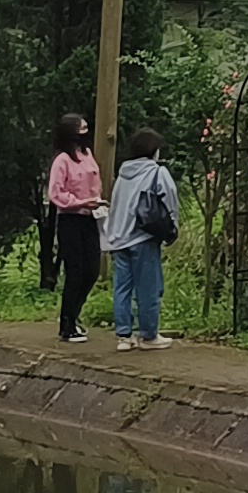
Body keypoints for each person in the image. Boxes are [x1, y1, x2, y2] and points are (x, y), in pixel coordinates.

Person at [102, 126, 179, 350]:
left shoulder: (123, 173)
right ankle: (149, 335)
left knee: (122, 288)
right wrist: (172, 229)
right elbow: (170, 201)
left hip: (119, 238)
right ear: (154, 151)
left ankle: (124, 337)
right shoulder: (157, 172)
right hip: (143, 237)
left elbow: (116, 205)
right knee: (149, 288)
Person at [43, 115, 104, 343]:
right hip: (70, 219)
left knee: (92, 270)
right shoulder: (62, 160)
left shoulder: (88, 155)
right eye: (80, 127)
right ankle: (66, 325)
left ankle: (75, 313)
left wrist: (96, 200)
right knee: (75, 271)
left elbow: (95, 183)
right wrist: (78, 202)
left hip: (90, 217)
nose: (85, 130)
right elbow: (55, 193)